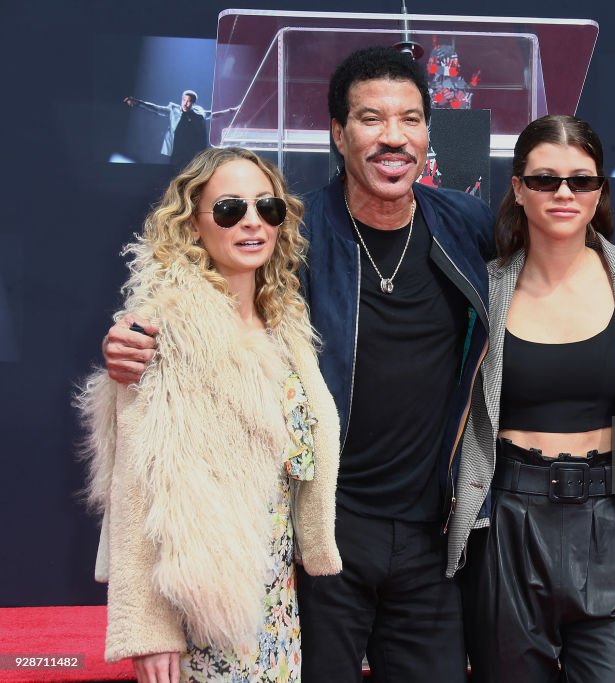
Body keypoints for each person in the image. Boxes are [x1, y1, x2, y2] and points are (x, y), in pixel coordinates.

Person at [103, 46, 494, 683]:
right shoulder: (293, 232)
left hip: (432, 536)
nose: (392, 138)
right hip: (322, 538)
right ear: (338, 133)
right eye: (371, 119)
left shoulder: (467, 225)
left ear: (429, 131)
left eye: (410, 119)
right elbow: (205, 299)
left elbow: (552, 272)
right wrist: (133, 336)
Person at [78, 146, 342, 683]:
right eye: (229, 209)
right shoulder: (162, 330)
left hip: (274, 602)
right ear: (193, 224)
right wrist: (150, 628)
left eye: (267, 208)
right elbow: (136, 489)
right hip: (201, 606)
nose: (252, 221)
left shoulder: (285, 324)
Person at [446, 114, 615, 683]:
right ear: (518, 188)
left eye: (582, 180)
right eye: (546, 179)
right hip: (506, 521)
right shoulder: (481, 285)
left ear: (600, 191)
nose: (564, 193)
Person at [124, 90, 235, 168]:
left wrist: (230, 111)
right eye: (184, 100)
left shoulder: (198, 114)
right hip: (176, 151)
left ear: (193, 103)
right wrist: (137, 103)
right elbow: (155, 108)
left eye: (189, 101)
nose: (186, 104)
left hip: (191, 151)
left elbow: (213, 114)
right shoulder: (173, 110)